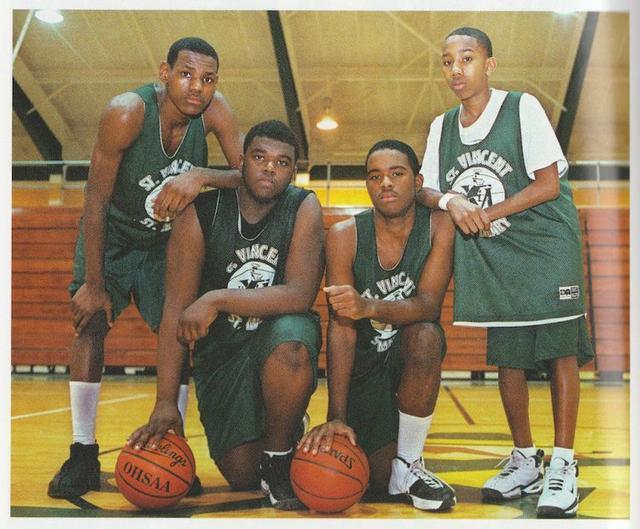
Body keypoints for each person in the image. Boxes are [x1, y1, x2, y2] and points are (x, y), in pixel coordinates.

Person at [48, 36, 244, 499]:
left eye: (207, 79)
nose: (197, 87)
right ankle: (82, 451)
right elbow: (95, 199)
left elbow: (250, 175)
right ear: (164, 73)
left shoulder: (215, 112)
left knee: (181, 333)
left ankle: (172, 445)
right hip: (113, 235)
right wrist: (95, 282)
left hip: (165, 243)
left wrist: (200, 175)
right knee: (91, 322)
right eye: (186, 74)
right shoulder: (127, 112)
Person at [418, 27, 594, 518]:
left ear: (489, 65)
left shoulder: (521, 108)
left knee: (559, 351)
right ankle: (525, 459)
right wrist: (451, 201)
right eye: (448, 61)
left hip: (545, 243)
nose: (456, 69)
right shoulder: (441, 126)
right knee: (508, 356)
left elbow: (547, 184)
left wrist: (485, 213)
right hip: (495, 252)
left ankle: (563, 462)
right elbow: (425, 189)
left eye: (467, 58)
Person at [127, 120, 325, 510]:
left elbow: (300, 295)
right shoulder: (200, 213)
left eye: (282, 162)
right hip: (223, 353)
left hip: (276, 340)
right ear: (241, 162)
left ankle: (279, 455)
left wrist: (217, 299)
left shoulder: (304, 206)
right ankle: (283, 426)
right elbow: (175, 311)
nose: (270, 169)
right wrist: (166, 401)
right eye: (260, 157)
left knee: (293, 338)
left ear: (292, 172)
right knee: (242, 474)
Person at [299, 140, 457, 511]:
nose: (385, 182)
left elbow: (428, 306)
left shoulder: (439, 226)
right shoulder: (344, 236)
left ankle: (409, 464)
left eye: (396, 174)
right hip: (363, 368)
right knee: (372, 478)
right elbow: (341, 328)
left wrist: (368, 306)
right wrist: (336, 416)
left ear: (417, 182)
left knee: (426, 336)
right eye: (375, 176)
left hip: (405, 360)